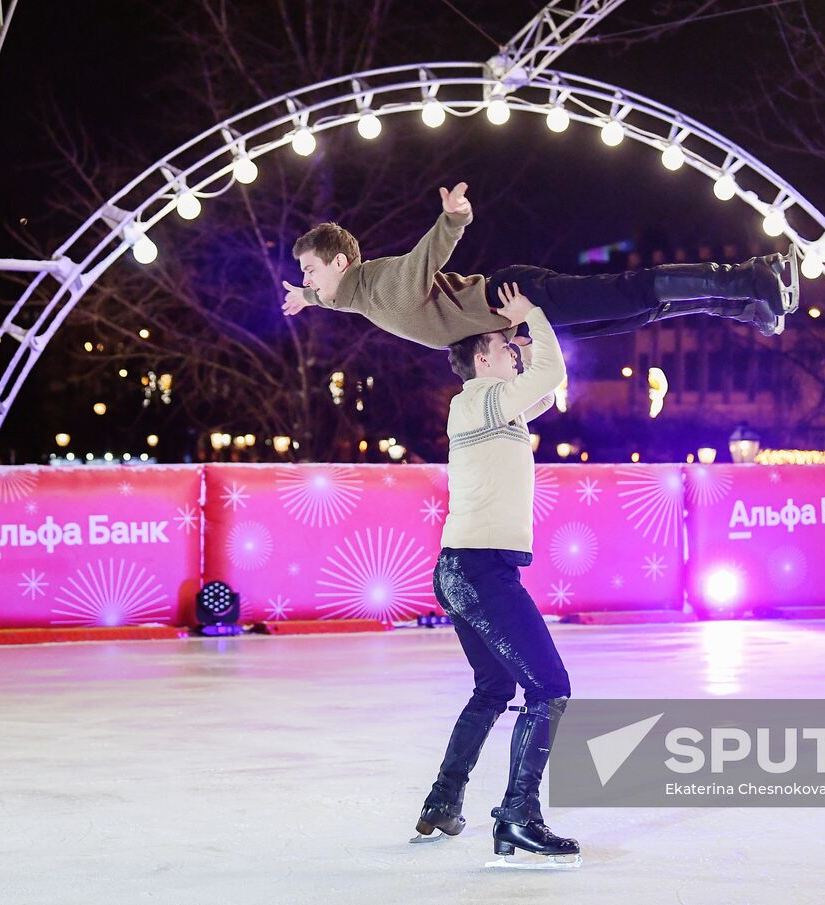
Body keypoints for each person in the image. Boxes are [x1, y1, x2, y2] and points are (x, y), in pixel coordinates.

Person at [411, 283, 581, 870]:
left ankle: (443, 798)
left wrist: (523, 338)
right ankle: (518, 816)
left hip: (465, 568)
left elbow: (541, 386)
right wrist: (531, 314)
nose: (513, 349)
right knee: (549, 689)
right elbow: (550, 374)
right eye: (503, 345)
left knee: (494, 688)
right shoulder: (481, 398)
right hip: (480, 571)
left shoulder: (493, 406)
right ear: (481, 358)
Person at [282, 182, 798, 346]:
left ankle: (750, 276)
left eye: (311, 271)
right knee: (634, 315)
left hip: (513, 297)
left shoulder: (382, 287)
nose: (308, 280)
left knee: (631, 291)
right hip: (521, 316)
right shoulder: (351, 296)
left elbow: (424, 260)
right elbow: (336, 299)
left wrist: (452, 220)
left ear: (343, 263)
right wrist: (305, 297)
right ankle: (747, 308)